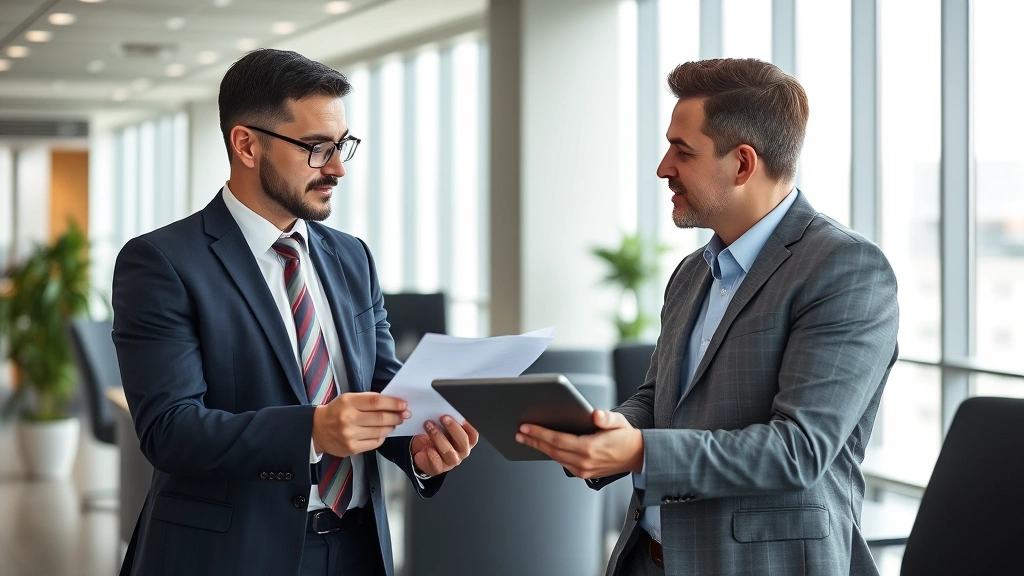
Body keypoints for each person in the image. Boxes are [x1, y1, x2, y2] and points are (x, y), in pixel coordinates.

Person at [517, 58, 899, 576]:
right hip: (648, 560)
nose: (663, 168)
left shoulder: (846, 269)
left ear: (742, 164)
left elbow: (798, 451)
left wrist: (638, 452)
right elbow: (661, 400)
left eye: (683, 151)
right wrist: (604, 431)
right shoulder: (693, 272)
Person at [111, 49, 478, 576]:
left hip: (357, 550)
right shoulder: (162, 262)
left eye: (343, 145)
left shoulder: (352, 255)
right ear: (246, 145)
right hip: (231, 555)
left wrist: (418, 445)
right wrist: (310, 430)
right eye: (317, 148)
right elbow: (170, 430)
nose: (337, 168)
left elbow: (380, 383)